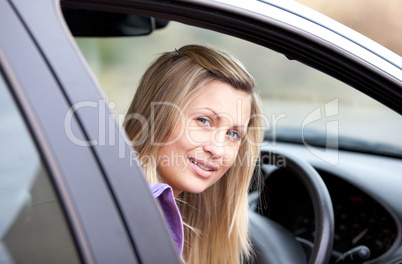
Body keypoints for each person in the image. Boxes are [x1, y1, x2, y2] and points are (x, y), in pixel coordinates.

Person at [124, 45, 263, 264]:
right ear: (155, 117)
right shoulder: (134, 220)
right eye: (204, 121)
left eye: (234, 134)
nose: (217, 149)